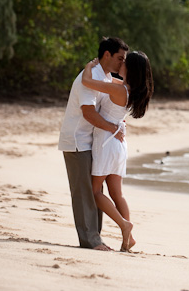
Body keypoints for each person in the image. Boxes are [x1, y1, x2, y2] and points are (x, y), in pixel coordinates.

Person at [58, 37, 129, 251]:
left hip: (94, 141)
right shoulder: (88, 77)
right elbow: (88, 113)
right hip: (77, 140)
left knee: (93, 190)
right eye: (119, 58)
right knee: (83, 192)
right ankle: (90, 240)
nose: (121, 63)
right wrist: (113, 128)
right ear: (106, 55)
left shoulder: (104, 76)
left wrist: (117, 123)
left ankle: (95, 237)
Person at [81, 50, 154, 252]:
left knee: (95, 191)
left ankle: (124, 225)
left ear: (129, 68)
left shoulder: (119, 90)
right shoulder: (128, 90)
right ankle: (128, 238)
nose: (120, 62)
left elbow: (87, 82)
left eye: (124, 61)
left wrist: (90, 65)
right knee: (117, 194)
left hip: (107, 142)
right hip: (119, 145)